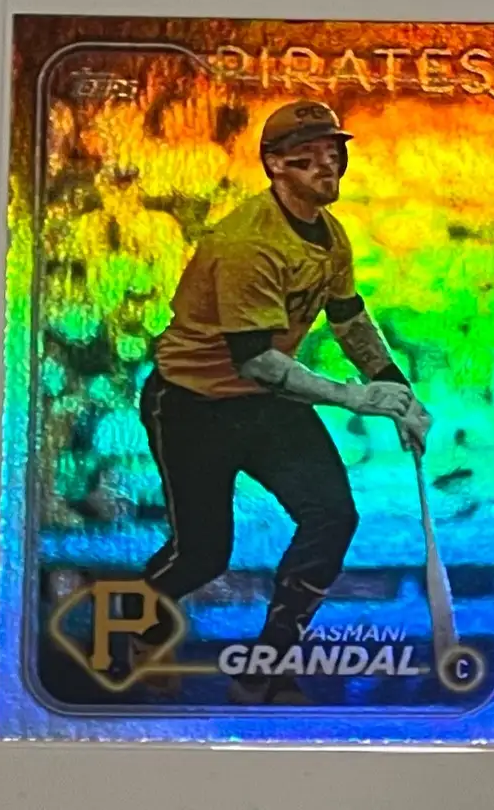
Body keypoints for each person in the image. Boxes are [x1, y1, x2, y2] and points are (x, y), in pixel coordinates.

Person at [130, 99, 432, 705]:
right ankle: (138, 631)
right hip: (194, 404)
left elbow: (348, 319)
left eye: (334, 154)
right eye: (308, 157)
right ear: (274, 165)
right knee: (202, 555)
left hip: (267, 403)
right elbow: (258, 362)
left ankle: (267, 665)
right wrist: (358, 398)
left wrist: (398, 390)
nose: (328, 166)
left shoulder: (329, 233)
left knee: (332, 516)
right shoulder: (247, 242)